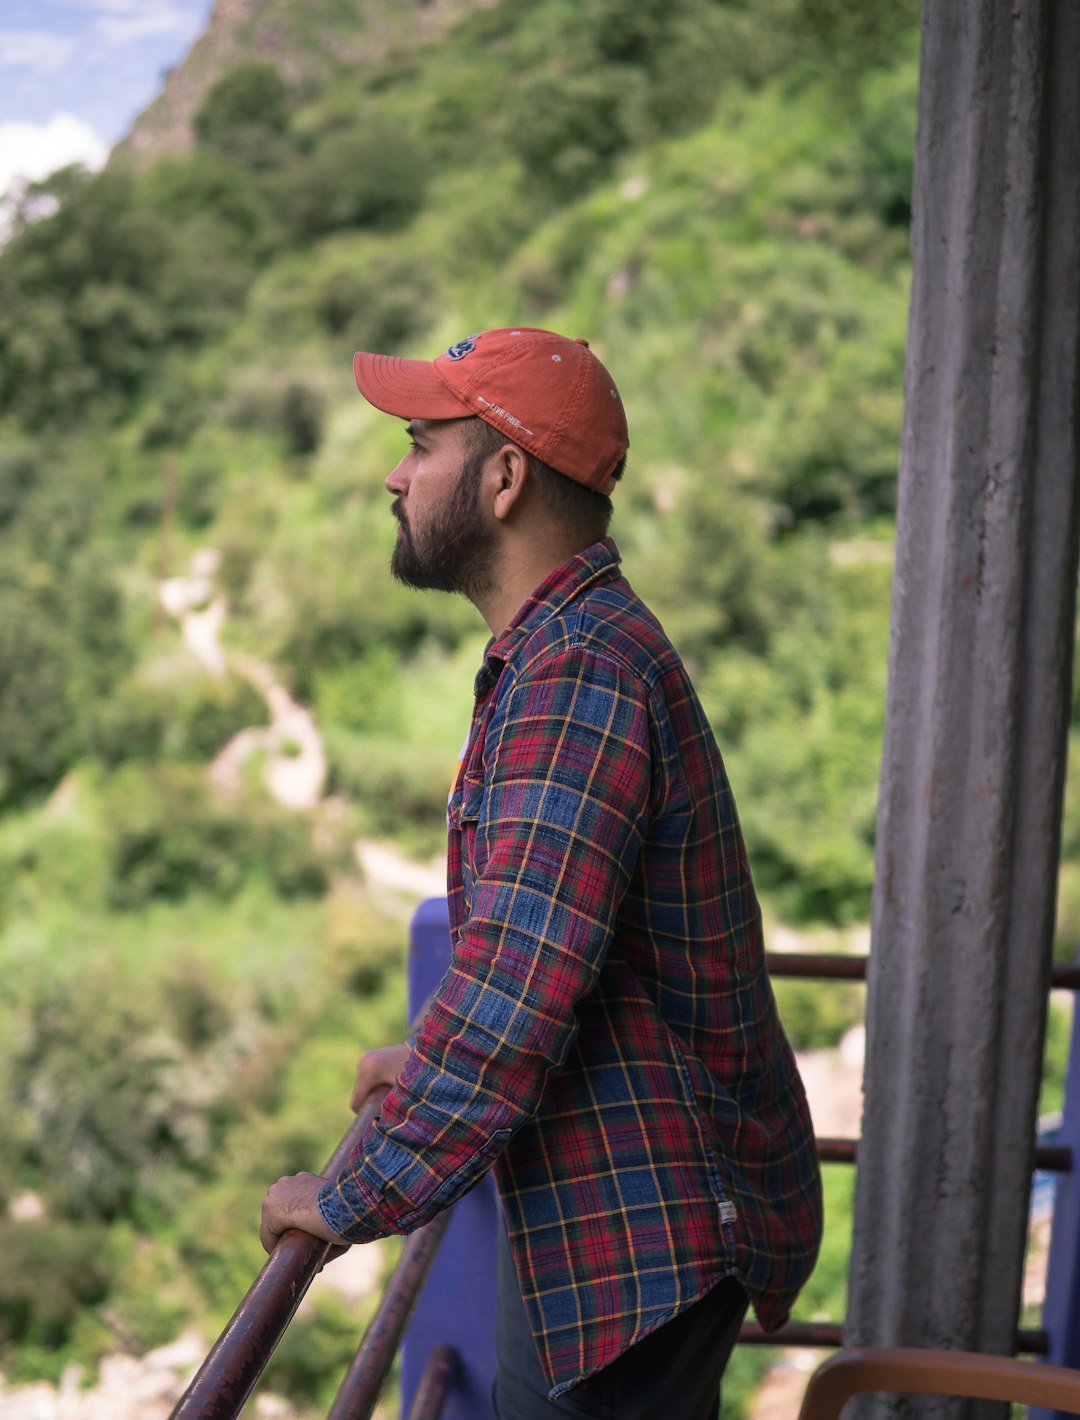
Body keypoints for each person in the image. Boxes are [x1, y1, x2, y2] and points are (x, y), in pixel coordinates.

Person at [260, 327, 823, 1419]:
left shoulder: (578, 676)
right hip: (629, 1205)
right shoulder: (569, 652)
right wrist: (429, 1059)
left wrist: (344, 1198)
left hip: (641, 1228)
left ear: (505, 477)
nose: (394, 471)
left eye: (422, 443)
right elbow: (569, 942)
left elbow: (518, 996)